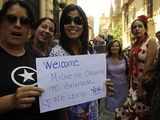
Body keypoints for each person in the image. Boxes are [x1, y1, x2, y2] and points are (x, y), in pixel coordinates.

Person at [0, 1, 61, 120]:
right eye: (11, 19)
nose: (18, 25)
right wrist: (11, 101)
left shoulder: (40, 60)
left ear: (29, 29)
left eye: (24, 21)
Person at [49, 4, 98, 120]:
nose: (72, 25)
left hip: (91, 111)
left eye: (77, 21)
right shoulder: (56, 54)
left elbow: (94, 80)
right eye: (67, 20)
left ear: (84, 25)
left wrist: (103, 85)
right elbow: (54, 92)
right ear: (62, 25)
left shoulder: (90, 51)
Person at [118, 15, 157, 120]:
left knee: (140, 113)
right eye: (134, 27)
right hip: (134, 84)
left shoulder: (151, 42)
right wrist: (131, 85)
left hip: (145, 85)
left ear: (145, 29)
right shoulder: (134, 44)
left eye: (140, 26)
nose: (137, 29)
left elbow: (148, 66)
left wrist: (140, 86)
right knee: (133, 114)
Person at [99, 40, 129, 120]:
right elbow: (101, 74)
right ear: (109, 47)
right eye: (112, 46)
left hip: (123, 88)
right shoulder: (105, 59)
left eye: (117, 46)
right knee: (112, 110)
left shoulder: (125, 58)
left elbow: (128, 72)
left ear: (120, 48)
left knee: (123, 110)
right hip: (111, 88)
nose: (115, 47)